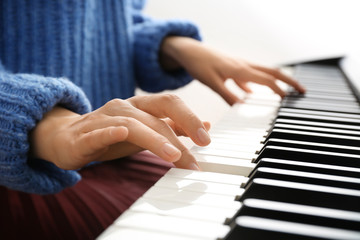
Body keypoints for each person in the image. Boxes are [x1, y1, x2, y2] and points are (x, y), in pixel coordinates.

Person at [0, 0, 305, 239]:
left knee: (222, 193)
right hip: (19, 176)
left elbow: (112, 21)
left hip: (111, 153)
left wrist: (174, 47)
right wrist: (41, 126)